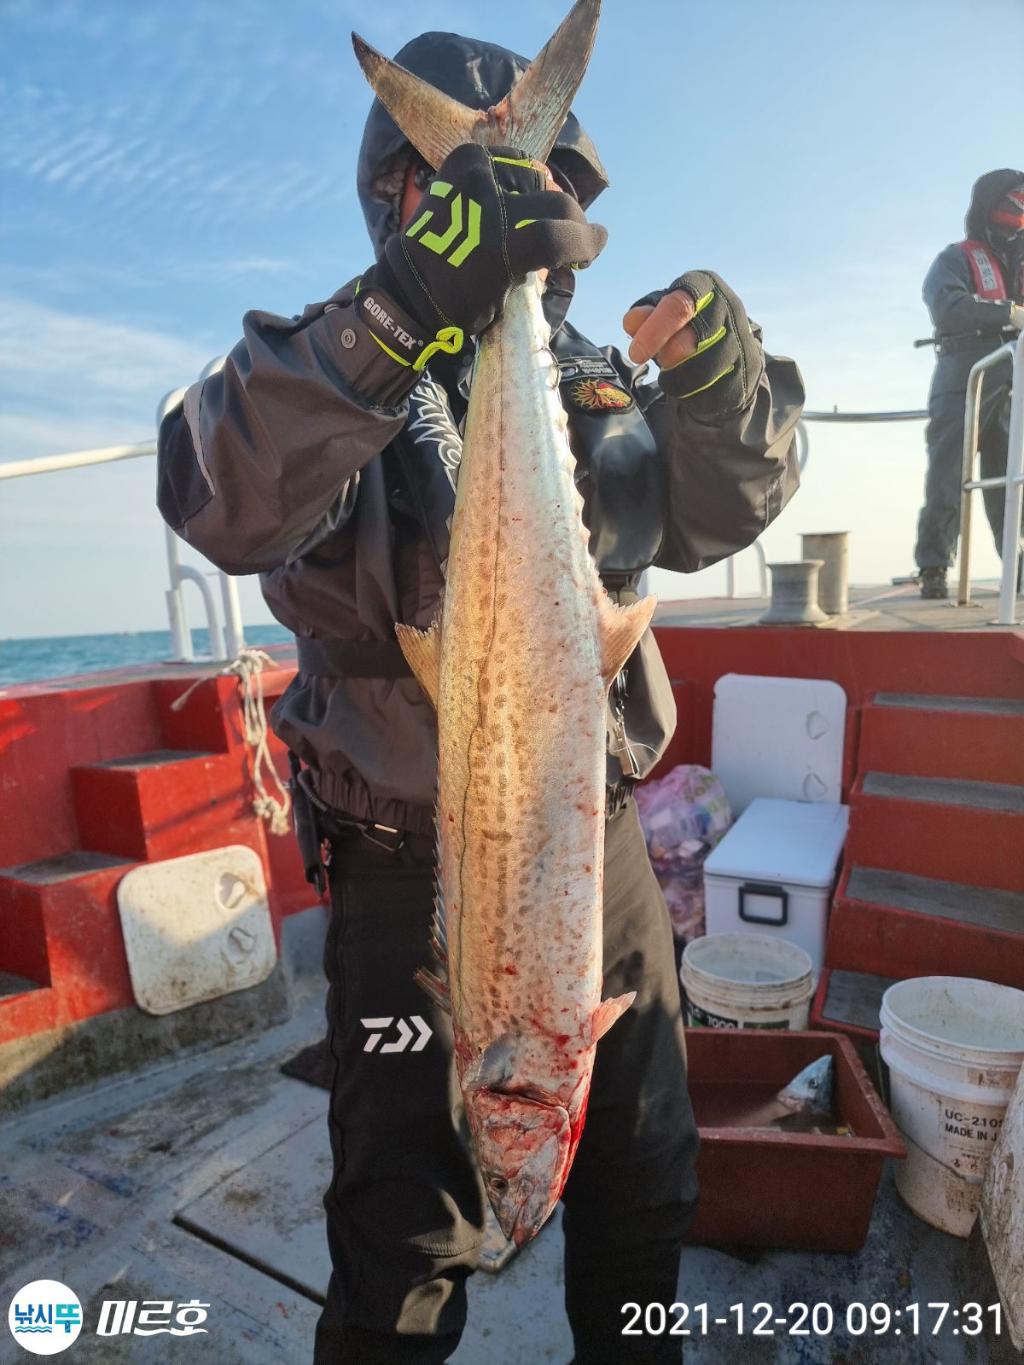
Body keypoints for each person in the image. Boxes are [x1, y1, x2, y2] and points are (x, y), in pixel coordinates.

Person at [156, 28, 804, 1365]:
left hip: (596, 842)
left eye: (542, 174)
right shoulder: (334, 361)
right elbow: (221, 493)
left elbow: (719, 511)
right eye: (450, 178)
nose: (519, 193)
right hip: (412, 878)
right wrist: (401, 311)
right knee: (404, 1243)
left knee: (646, 1179)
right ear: (398, 195)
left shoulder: (595, 376)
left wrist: (721, 386)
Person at [914, 169, 1024, 598]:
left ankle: (1018, 568)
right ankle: (934, 568)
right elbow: (947, 305)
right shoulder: (955, 258)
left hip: (1013, 381)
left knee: (1010, 480)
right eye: (1014, 200)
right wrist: (1007, 313)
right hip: (963, 374)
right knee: (947, 475)